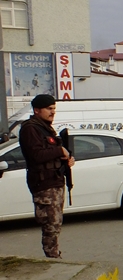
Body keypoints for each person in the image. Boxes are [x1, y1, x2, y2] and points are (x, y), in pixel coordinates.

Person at [19, 94, 75, 259]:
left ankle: (54, 255)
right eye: (49, 109)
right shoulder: (30, 129)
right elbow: (36, 155)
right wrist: (60, 151)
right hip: (43, 183)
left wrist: (66, 159)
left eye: (54, 109)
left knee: (56, 223)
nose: (53, 112)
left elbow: (53, 153)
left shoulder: (45, 127)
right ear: (37, 110)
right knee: (50, 224)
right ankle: (52, 259)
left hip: (55, 180)